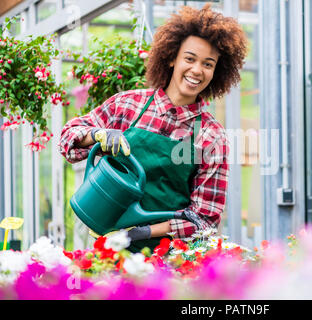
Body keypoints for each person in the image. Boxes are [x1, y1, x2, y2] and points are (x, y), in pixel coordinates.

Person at [59, 4, 248, 252]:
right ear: (171, 57)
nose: (197, 70)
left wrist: (142, 232)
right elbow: (67, 140)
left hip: (172, 260)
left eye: (208, 64)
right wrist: (97, 134)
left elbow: (204, 217)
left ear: (217, 72)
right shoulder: (127, 105)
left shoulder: (212, 136)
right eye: (189, 59)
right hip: (110, 252)